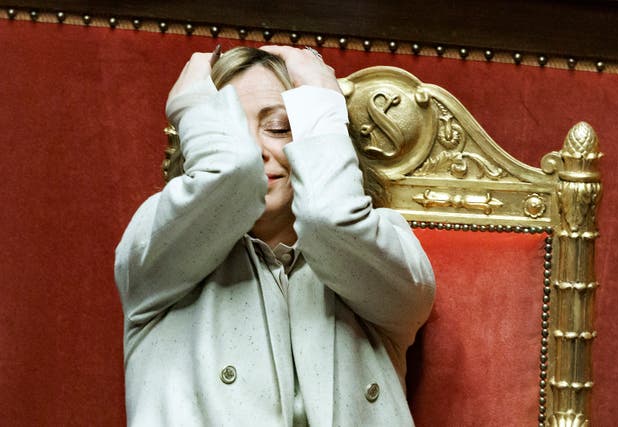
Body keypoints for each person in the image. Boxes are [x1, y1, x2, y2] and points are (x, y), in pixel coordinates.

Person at [115, 44, 435, 427]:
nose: (253, 151)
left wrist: (319, 90)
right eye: (228, 133)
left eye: (279, 127)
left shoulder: (386, 246)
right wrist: (193, 105)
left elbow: (328, 218)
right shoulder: (153, 243)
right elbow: (233, 174)